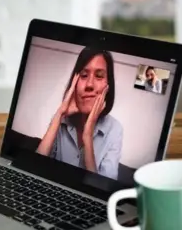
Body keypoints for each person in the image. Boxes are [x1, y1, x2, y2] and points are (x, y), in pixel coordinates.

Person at [36, 47, 124, 180]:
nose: (89, 84)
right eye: (83, 75)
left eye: (99, 76)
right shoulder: (60, 120)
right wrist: (59, 114)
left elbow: (100, 190)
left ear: (108, 86)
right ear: (74, 83)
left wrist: (87, 136)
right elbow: (35, 168)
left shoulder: (115, 130)